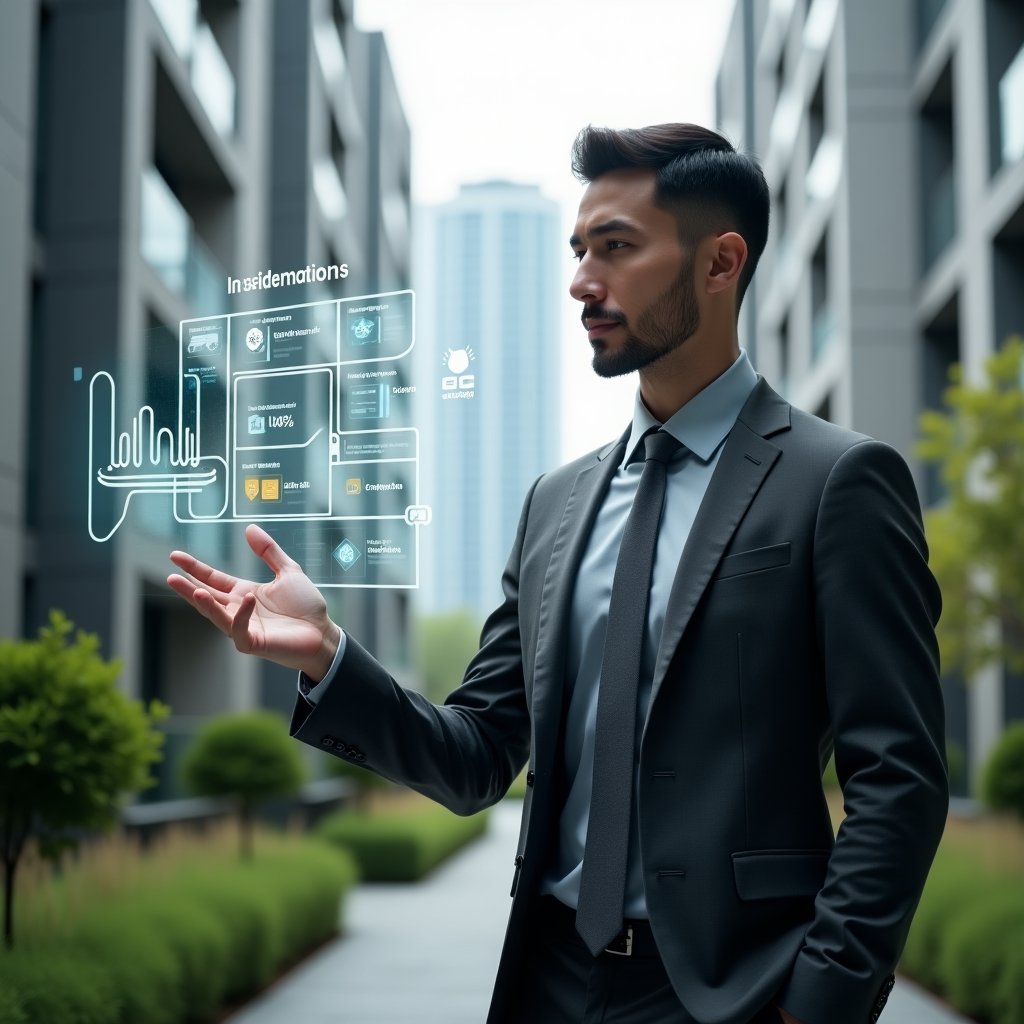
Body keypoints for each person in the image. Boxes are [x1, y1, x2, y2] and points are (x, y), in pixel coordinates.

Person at [167, 123, 948, 1024]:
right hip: (545, 978)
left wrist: (821, 1004)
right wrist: (328, 657)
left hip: (733, 992)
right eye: (580, 250)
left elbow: (898, 775)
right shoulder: (557, 501)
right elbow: (475, 759)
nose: (582, 280)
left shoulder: (836, 481)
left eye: (616, 247)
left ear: (721, 262)